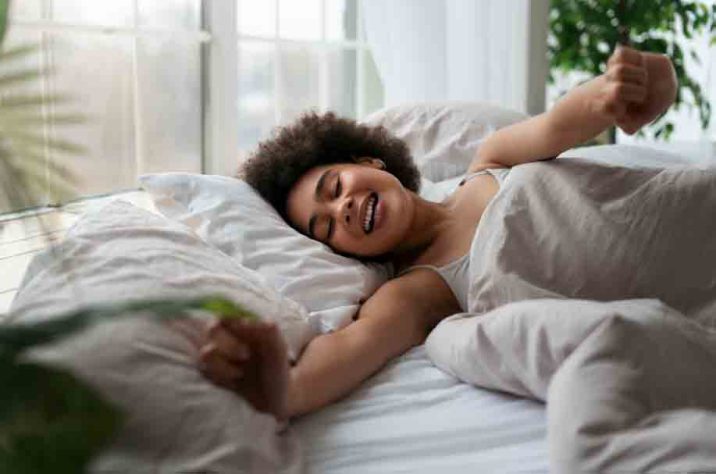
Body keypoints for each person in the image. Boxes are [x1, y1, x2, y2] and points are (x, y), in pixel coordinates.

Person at [196, 46, 678, 422]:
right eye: (326, 227)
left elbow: (564, 121)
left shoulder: (491, 160)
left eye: (335, 187)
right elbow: (345, 351)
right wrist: (276, 383)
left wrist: (623, 89)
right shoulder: (415, 292)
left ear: (370, 161)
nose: (342, 208)